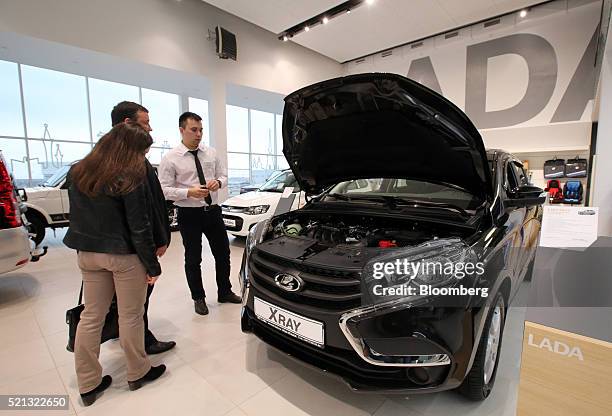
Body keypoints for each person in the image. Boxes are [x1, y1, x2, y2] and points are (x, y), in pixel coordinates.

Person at [64, 123, 166, 406]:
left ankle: (88, 382)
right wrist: (152, 266)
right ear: (130, 149)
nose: (144, 156)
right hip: (123, 256)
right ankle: (138, 371)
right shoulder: (130, 174)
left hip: (88, 253)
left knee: (92, 316)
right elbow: (139, 226)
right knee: (130, 315)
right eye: (143, 150)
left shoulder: (79, 170)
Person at [158, 111, 241, 315]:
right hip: (189, 214)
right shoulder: (170, 158)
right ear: (182, 130)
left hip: (213, 211)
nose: (198, 134)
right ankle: (198, 298)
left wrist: (218, 182)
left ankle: (225, 291)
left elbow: (224, 175)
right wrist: (189, 192)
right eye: (193, 130)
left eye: (201, 130)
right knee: (193, 258)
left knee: (223, 254)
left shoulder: (211, 152)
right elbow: (163, 189)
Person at [110, 101, 176, 355]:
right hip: (133, 248)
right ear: (128, 123)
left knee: (126, 302)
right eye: (145, 122)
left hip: (115, 247)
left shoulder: (110, 159)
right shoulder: (131, 162)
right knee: (138, 300)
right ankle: (142, 342)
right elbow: (142, 212)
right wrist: (156, 244)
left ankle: (127, 334)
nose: (150, 128)